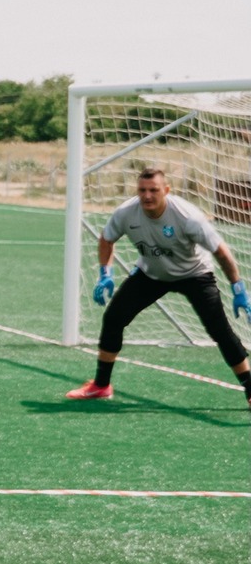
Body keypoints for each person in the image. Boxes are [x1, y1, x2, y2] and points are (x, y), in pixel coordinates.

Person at [65, 167, 251, 405]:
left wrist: (238, 290)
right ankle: (101, 385)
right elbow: (106, 238)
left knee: (219, 331)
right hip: (151, 275)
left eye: (153, 190)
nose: (147, 196)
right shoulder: (126, 212)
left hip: (195, 274)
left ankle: (250, 388)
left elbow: (221, 252)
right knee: (113, 318)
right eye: (142, 190)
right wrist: (105, 274)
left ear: (166, 190)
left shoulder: (187, 217)